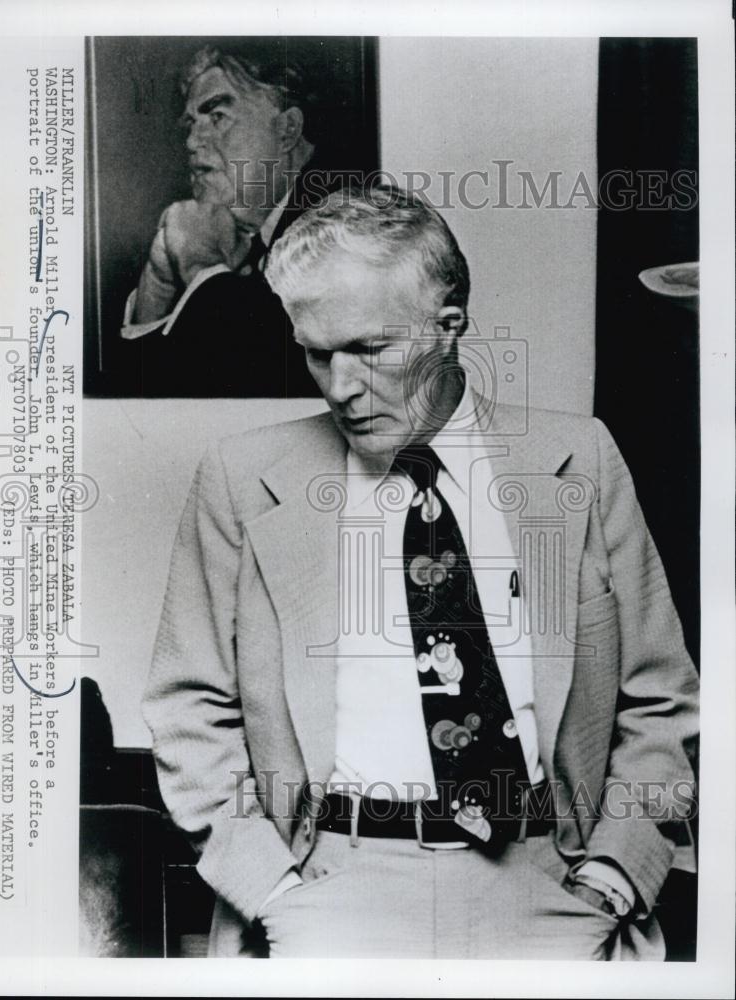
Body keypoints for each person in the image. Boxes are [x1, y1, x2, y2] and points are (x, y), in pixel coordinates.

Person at [142, 187, 699, 959]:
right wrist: (274, 891)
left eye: (369, 349)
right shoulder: (242, 479)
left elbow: (659, 697)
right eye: (314, 352)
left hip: (550, 888)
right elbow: (187, 706)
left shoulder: (580, 461)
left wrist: (611, 874)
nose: (339, 387)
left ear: (449, 326)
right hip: (327, 893)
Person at [121, 44, 325, 396]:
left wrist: (201, 267)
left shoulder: (344, 217)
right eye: (190, 124)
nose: (191, 141)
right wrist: (158, 286)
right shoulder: (246, 230)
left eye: (217, 117)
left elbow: (278, 378)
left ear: (288, 130)